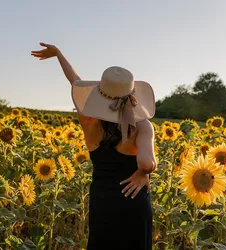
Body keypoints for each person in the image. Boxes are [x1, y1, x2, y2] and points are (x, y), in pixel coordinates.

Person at [31, 42, 157, 250]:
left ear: (100, 94)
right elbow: (146, 162)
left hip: (103, 199)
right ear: (132, 95)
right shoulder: (142, 126)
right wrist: (143, 173)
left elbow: (76, 82)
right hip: (133, 198)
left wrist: (59, 55)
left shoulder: (89, 120)